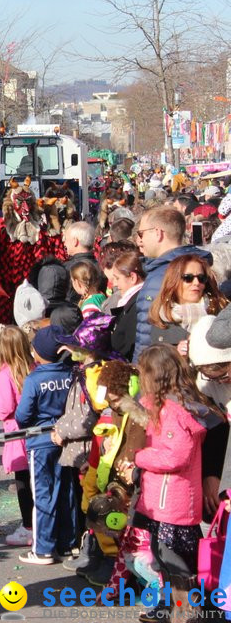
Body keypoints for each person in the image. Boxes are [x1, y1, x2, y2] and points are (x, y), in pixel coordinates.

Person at [118, 345, 220, 620]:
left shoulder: (175, 411)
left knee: (174, 559)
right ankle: (172, 607)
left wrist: (140, 457)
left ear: (156, 375)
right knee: (161, 556)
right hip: (159, 499)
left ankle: (189, 610)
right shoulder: (159, 404)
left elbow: (176, 456)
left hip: (173, 501)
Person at [15, 325, 75, 565]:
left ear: (38, 353)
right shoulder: (70, 374)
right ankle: (68, 543)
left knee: (42, 494)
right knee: (66, 491)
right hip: (66, 438)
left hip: (40, 442)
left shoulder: (34, 379)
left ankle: (43, 549)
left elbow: (22, 415)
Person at [134, 206, 209, 361]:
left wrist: (140, 371)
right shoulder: (202, 265)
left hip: (163, 368)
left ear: (158, 233)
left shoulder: (160, 276)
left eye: (141, 233)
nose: (140, 240)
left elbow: (146, 335)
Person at [0, 325, 35, 548]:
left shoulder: (6, 372)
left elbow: (6, 407)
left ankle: (28, 526)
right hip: (35, 430)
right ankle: (39, 523)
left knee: (22, 480)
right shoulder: (32, 367)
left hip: (17, 432)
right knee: (37, 481)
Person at [147, 254, 226, 356]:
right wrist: (176, 355)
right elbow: (156, 366)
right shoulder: (161, 319)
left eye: (201, 278)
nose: (196, 283)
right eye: (188, 278)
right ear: (173, 281)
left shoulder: (220, 314)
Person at [106, 250, 146, 361]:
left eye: (117, 278)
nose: (115, 284)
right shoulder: (134, 301)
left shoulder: (137, 304)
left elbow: (123, 344)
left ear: (132, 277)